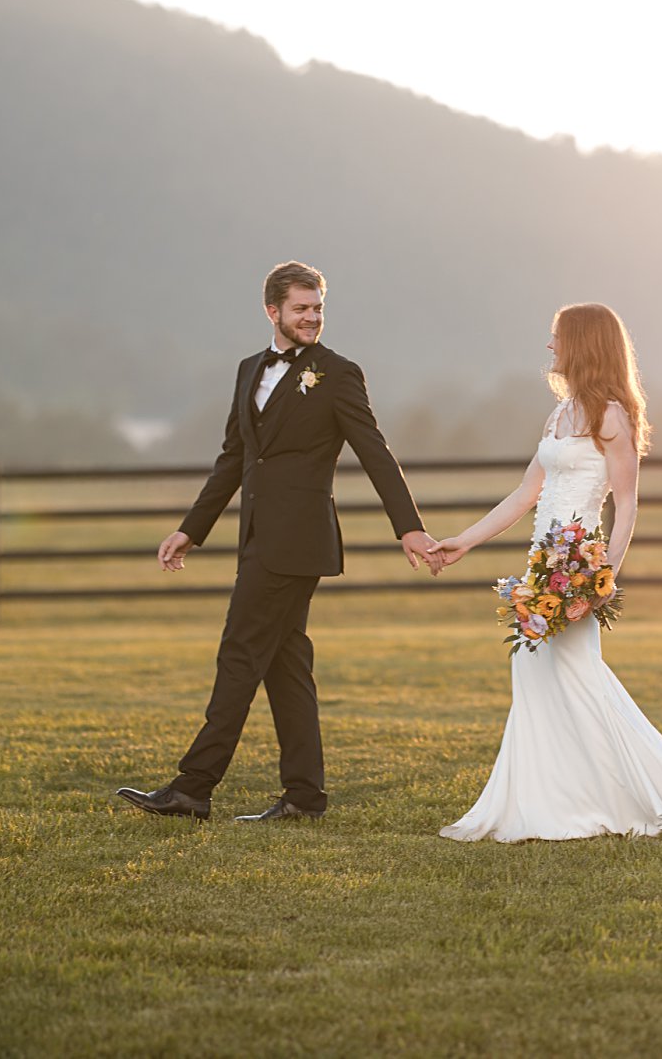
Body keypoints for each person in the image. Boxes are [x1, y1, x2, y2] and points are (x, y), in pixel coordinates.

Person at [116, 261, 438, 823]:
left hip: (298, 541)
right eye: (301, 310)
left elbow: (375, 450)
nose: (312, 318)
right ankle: (303, 798)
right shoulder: (248, 370)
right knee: (285, 666)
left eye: (317, 309)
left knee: (239, 653)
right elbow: (235, 459)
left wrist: (407, 525)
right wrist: (191, 528)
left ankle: (193, 788)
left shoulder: (337, 373)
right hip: (257, 538)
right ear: (273, 312)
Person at [431, 303, 662, 842]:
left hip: (578, 572)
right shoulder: (558, 417)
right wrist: (463, 542)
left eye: (556, 337)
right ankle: (548, 801)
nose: (548, 347)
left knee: (580, 680)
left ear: (582, 344)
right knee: (535, 678)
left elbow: (626, 504)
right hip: (543, 566)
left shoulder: (612, 416)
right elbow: (524, 494)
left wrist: (602, 581)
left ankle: (647, 802)